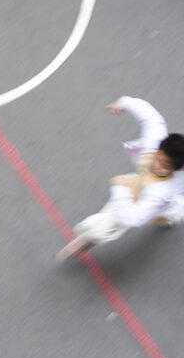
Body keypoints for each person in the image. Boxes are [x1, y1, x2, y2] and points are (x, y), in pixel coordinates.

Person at [57, 96, 184, 262]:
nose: (157, 166)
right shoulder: (155, 140)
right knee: (105, 224)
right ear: (159, 147)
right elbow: (151, 117)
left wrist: (120, 189)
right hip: (137, 185)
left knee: (161, 216)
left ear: (175, 170)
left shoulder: (160, 192)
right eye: (158, 159)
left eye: (165, 167)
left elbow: (132, 218)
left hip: (154, 203)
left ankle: (168, 218)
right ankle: (87, 240)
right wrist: (124, 103)